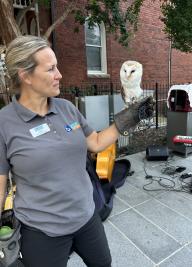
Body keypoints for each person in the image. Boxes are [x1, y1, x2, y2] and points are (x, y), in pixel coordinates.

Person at [0, 35, 154, 267]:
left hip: (86, 216)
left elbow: (96, 142)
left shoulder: (66, 108)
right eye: (51, 69)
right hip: (42, 230)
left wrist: (129, 119)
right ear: (25, 75)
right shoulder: (4, 123)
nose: (59, 75)